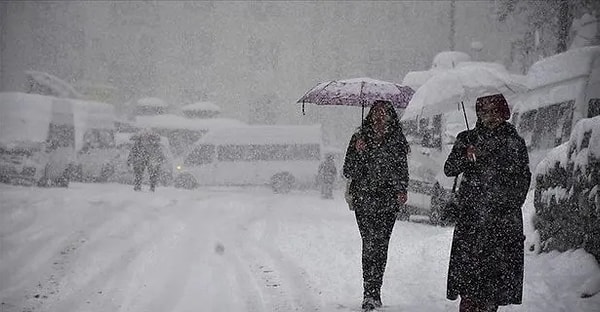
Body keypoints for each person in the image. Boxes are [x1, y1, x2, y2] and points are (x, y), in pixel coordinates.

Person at [443, 93, 531, 312]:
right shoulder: (466, 138)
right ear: (478, 114)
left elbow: (523, 178)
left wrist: (508, 204)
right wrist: (465, 155)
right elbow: (449, 169)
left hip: (501, 222)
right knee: (469, 279)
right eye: (484, 111)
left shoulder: (514, 142)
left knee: (494, 282)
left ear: (503, 113)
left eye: (494, 111)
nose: (490, 116)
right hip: (471, 220)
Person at [343, 100, 409, 311]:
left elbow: (402, 170)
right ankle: (368, 293)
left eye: (384, 113)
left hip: (387, 201)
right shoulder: (359, 139)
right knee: (369, 243)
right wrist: (359, 151)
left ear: (391, 117)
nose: (380, 117)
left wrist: (401, 189)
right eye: (376, 113)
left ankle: (375, 290)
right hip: (364, 198)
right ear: (370, 116)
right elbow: (348, 170)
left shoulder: (397, 141)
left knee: (381, 245)